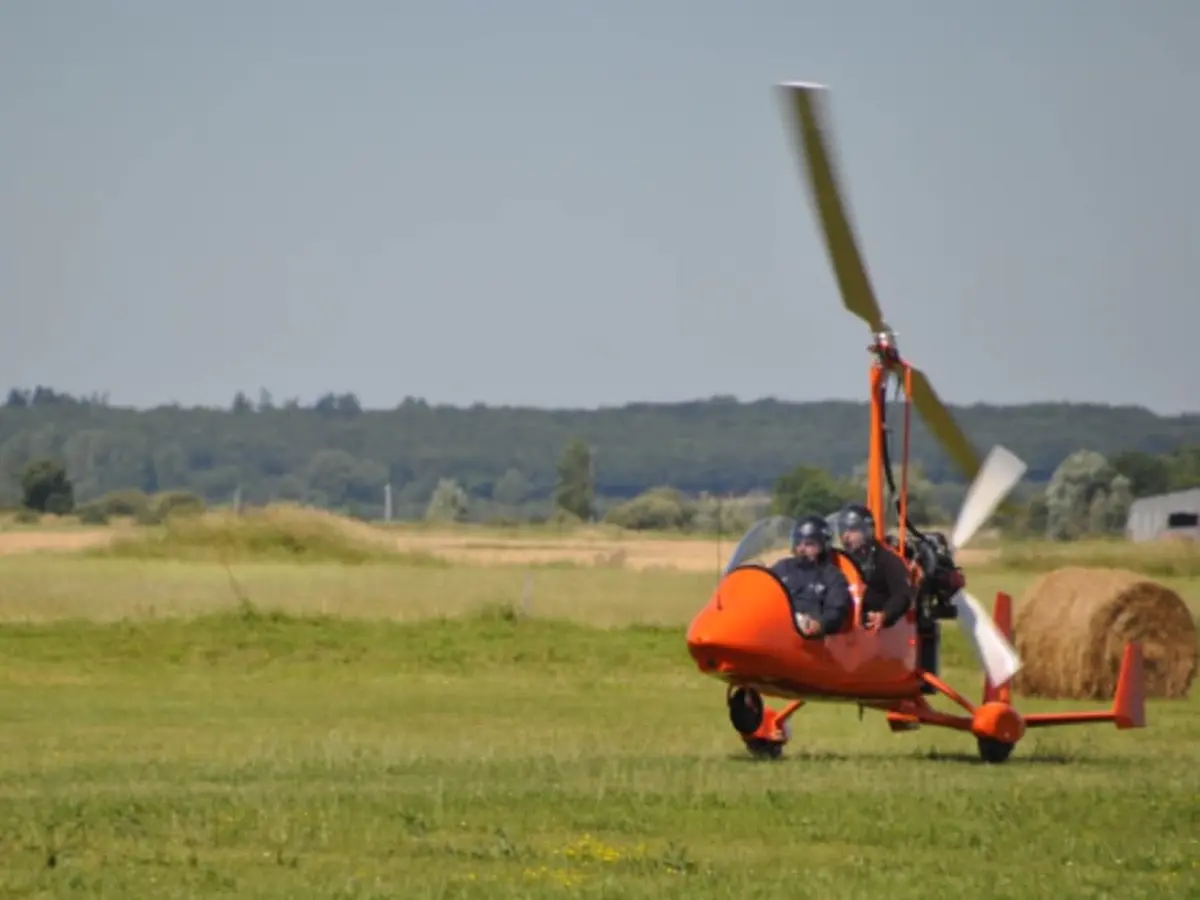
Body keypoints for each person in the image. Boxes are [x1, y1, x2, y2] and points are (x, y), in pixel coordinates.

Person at [769, 515, 852, 639]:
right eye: (798, 543)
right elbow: (763, 592)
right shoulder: (782, 568)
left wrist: (820, 624)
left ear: (823, 546)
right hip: (777, 630)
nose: (801, 549)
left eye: (809, 544)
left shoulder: (832, 576)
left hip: (809, 640)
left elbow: (836, 610)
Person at [833, 503, 913, 630]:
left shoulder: (887, 560)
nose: (845, 536)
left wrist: (885, 615)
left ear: (867, 530)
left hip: (874, 628)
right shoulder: (838, 560)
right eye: (843, 530)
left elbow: (902, 594)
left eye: (852, 530)